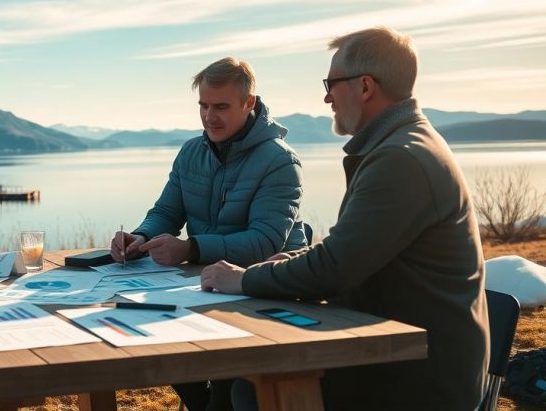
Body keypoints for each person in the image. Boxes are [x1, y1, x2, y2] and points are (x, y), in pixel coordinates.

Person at [200, 27, 489, 411]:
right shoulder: (402, 145)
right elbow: (353, 250)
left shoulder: (401, 158)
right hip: (398, 351)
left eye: (331, 84)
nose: (326, 97)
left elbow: (335, 268)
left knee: (252, 391)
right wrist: (293, 262)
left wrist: (242, 278)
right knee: (243, 385)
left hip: (418, 377)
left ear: (365, 86)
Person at [110, 57, 307, 411]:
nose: (208, 116)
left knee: (228, 390)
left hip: (264, 291)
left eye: (220, 106)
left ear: (249, 103)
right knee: (159, 339)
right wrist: (140, 238)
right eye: (203, 105)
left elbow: (264, 242)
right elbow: (167, 212)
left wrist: (190, 248)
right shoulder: (191, 152)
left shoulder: (280, 161)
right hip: (204, 286)